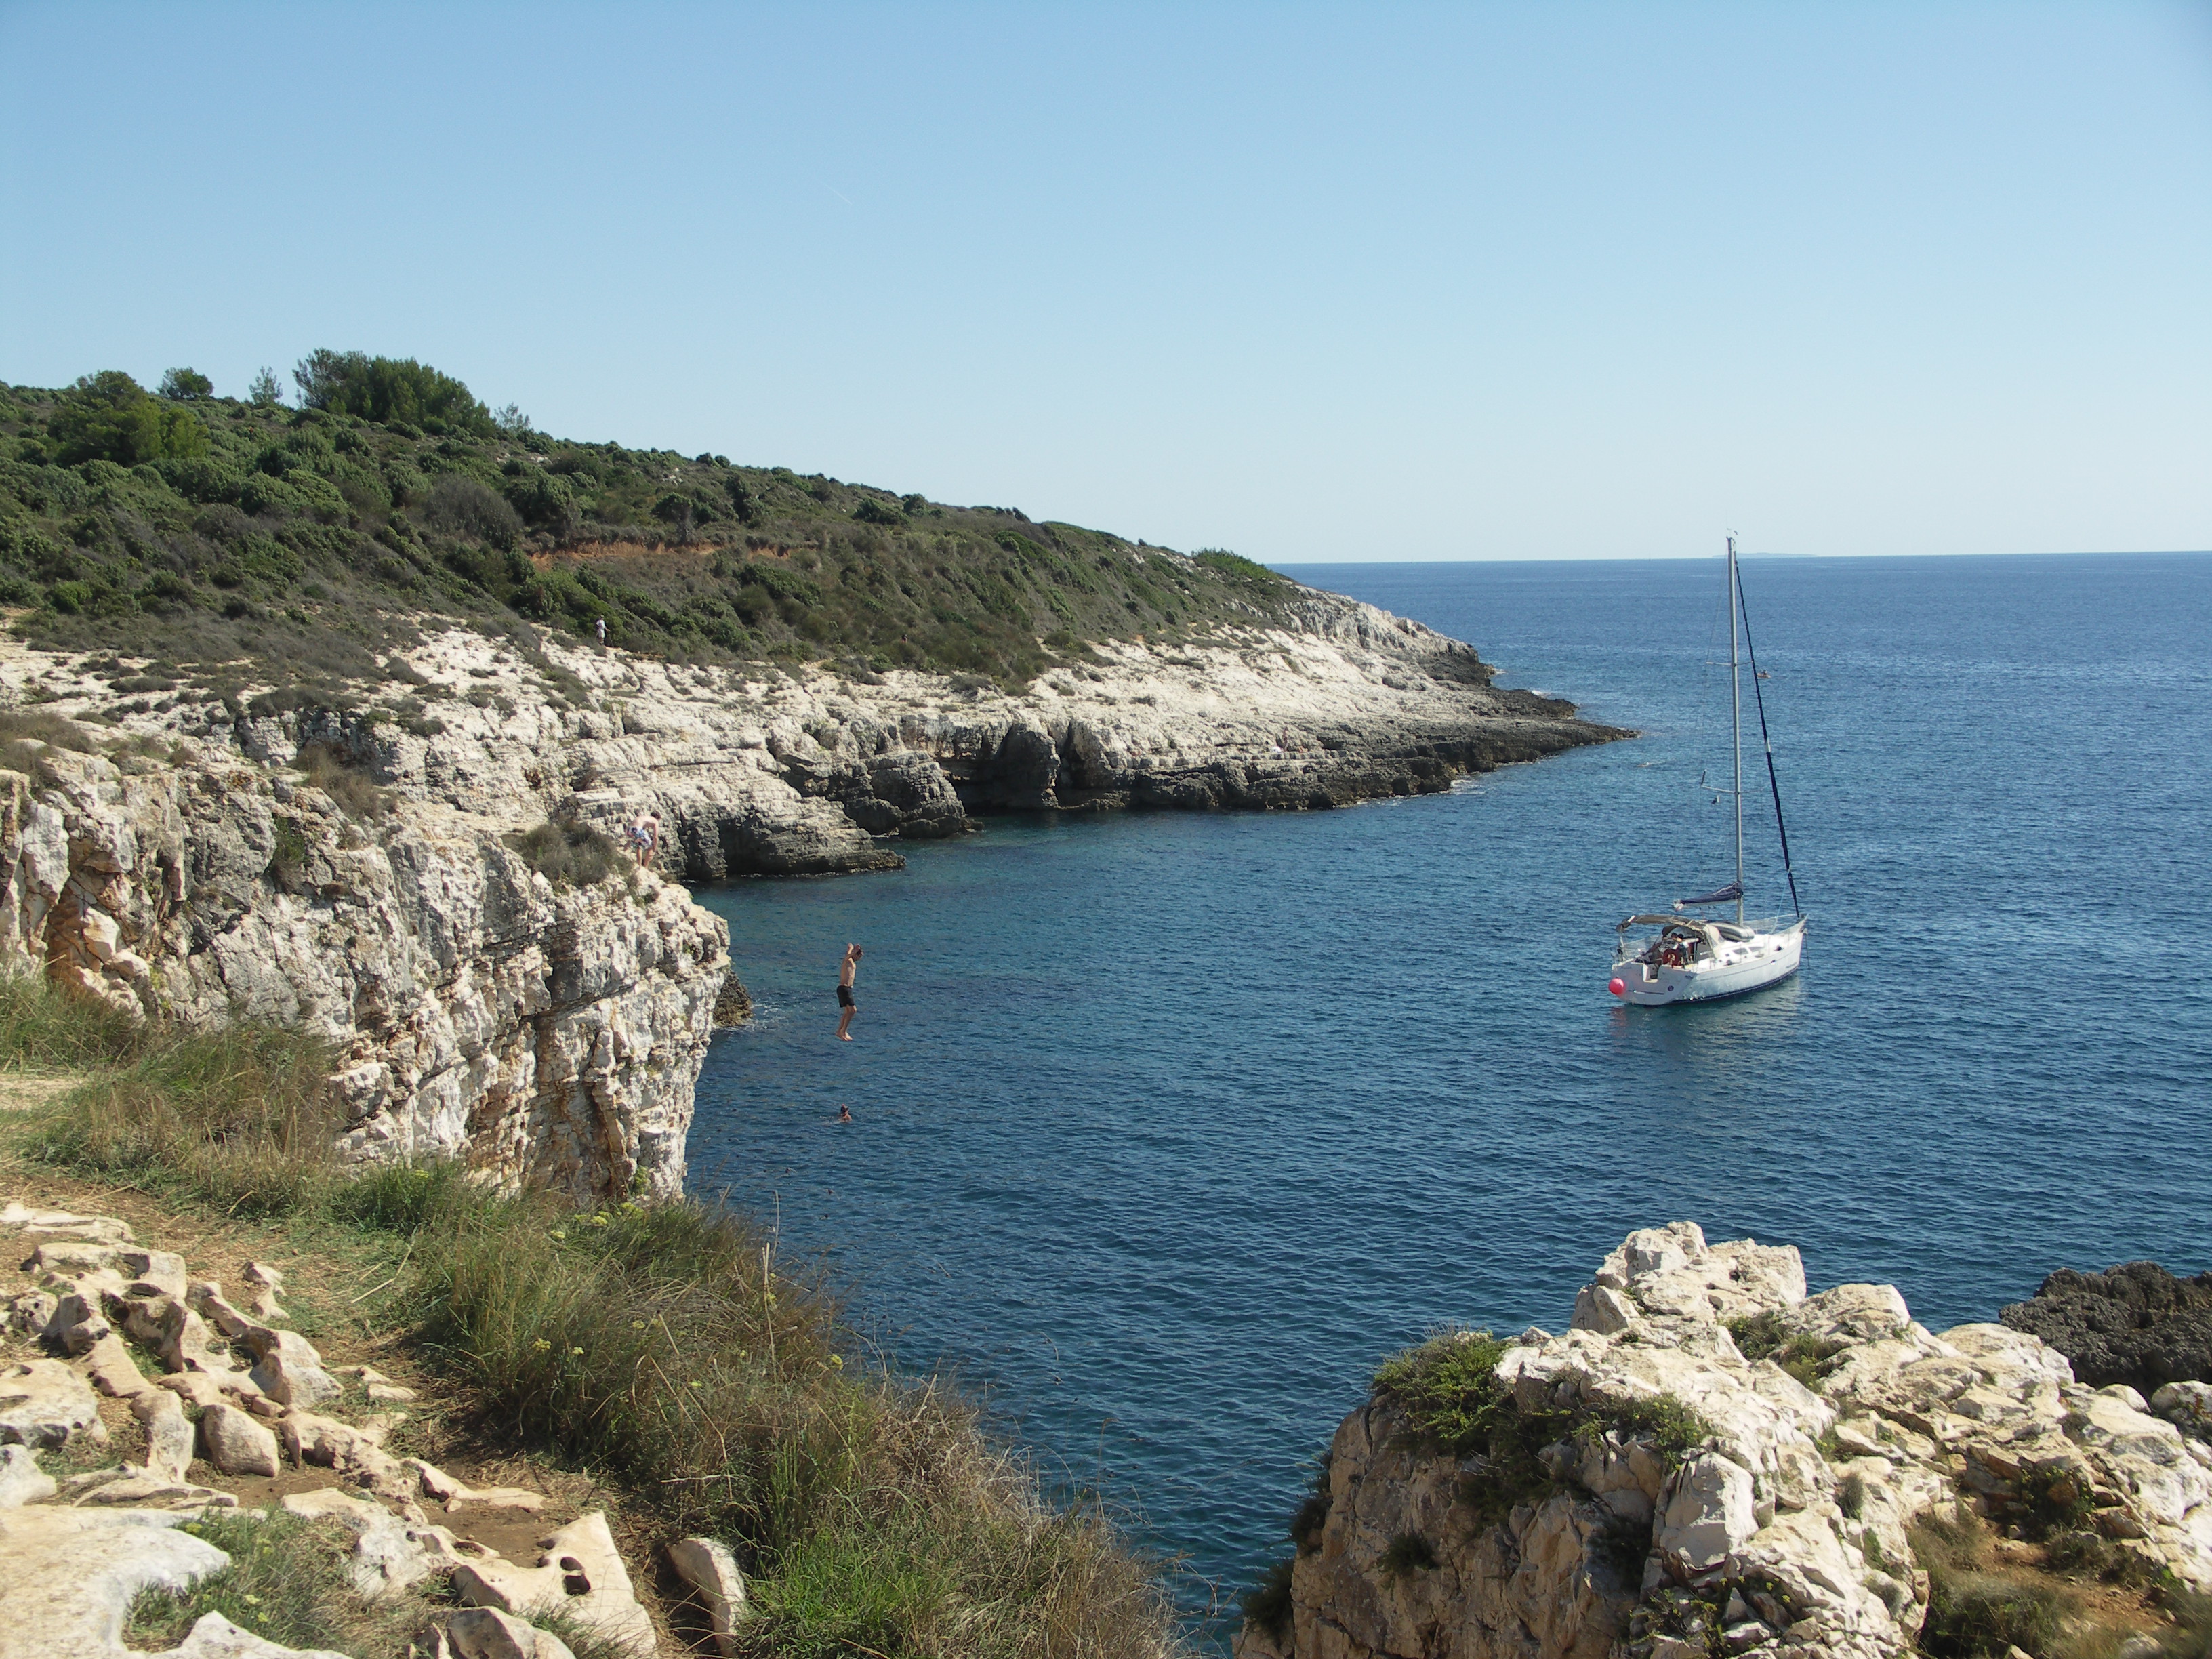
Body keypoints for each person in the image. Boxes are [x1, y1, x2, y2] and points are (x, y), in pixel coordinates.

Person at [836, 943, 863, 1041]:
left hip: (846, 989)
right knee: (853, 1010)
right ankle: (843, 1031)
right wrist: (853, 950)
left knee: (848, 1011)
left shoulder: (850, 961)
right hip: (844, 988)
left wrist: (851, 949)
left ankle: (840, 1031)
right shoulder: (848, 960)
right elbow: (847, 956)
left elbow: (848, 954)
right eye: (859, 956)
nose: (860, 959)